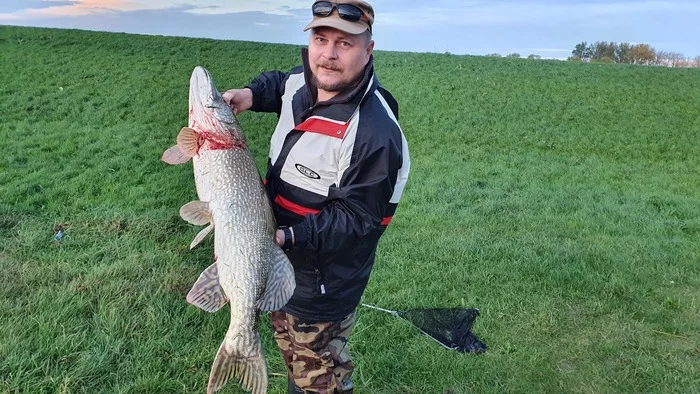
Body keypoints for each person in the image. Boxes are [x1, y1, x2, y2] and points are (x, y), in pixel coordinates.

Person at [222, 1, 410, 392]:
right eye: (320, 39)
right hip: (275, 263)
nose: (328, 54)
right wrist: (249, 94)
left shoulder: (375, 133)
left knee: (319, 376)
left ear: (368, 49)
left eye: (344, 43)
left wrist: (286, 237)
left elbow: (357, 218)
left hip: (323, 284)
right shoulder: (305, 80)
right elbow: (279, 83)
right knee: (294, 361)